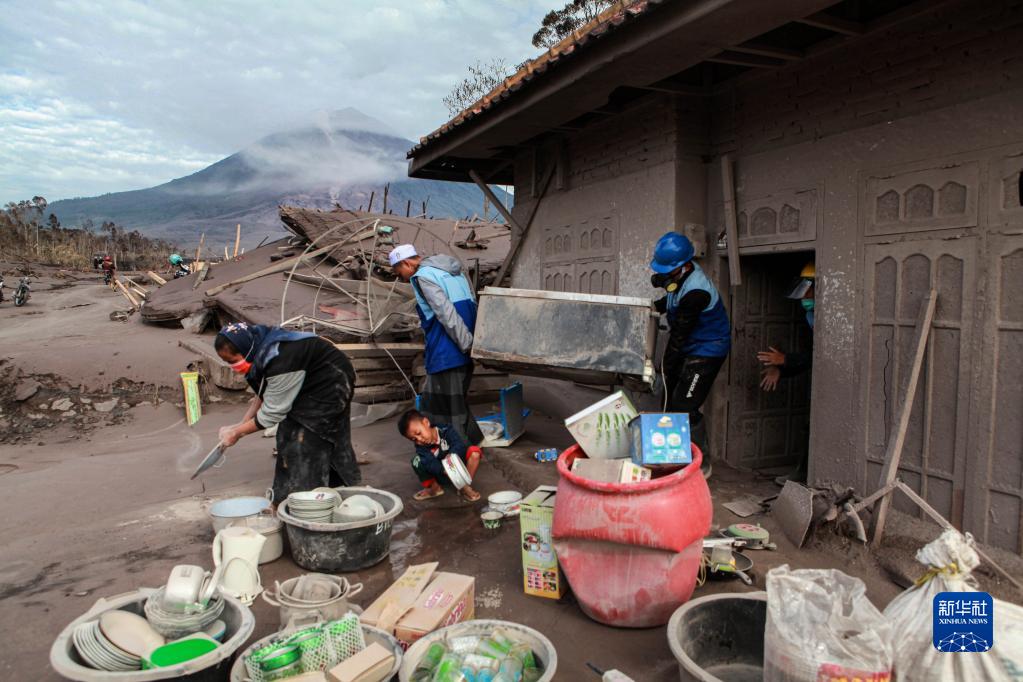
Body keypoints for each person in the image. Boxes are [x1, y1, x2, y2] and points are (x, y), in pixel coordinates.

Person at [214, 322, 360, 501]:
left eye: (232, 361)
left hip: (331, 383)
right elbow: (265, 393)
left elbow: (271, 414)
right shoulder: (259, 348)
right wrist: (242, 424)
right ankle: (333, 486)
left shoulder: (280, 359)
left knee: (308, 436)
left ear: (245, 349)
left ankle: (310, 496)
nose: (232, 366)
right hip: (308, 380)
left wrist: (237, 432)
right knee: (293, 434)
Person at [650, 231, 731, 478]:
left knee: (685, 404)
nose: (665, 274)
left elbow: (679, 334)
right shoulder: (681, 277)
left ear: (684, 266)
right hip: (689, 345)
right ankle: (672, 458)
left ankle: (701, 464)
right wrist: (651, 307)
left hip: (708, 349)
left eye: (668, 270)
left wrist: (665, 363)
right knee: (670, 397)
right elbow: (671, 299)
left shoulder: (698, 291)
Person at [389, 243, 484, 446]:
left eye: (400, 272)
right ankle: (474, 445)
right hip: (464, 348)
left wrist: (466, 344)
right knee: (456, 402)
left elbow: (445, 312)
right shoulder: (452, 272)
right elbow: (473, 304)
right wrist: (473, 344)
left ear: (406, 263)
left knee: (445, 408)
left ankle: (458, 456)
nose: (402, 278)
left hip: (449, 351)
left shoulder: (423, 277)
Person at [757, 261, 815, 484]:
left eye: (808, 290)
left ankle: (805, 475)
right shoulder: (810, 315)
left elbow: (821, 356)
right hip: (812, 375)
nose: (803, 297)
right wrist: (783, 368)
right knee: (808, 424)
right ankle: (802, 474)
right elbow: (811, 355)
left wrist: (785, 361)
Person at [398, 409, 482, 502]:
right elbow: (429, 463)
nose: (419, 439)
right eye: (414, 439)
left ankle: (464, 487)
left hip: (459, 470)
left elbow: (459, 444)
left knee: (474, 452)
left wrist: (452, 455)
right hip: (442, 475)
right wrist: (443, 469)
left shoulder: (446, 430)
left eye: (419, 433)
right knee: (416, 461)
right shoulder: (421, 448)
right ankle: (435, 488)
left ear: (426, 422)